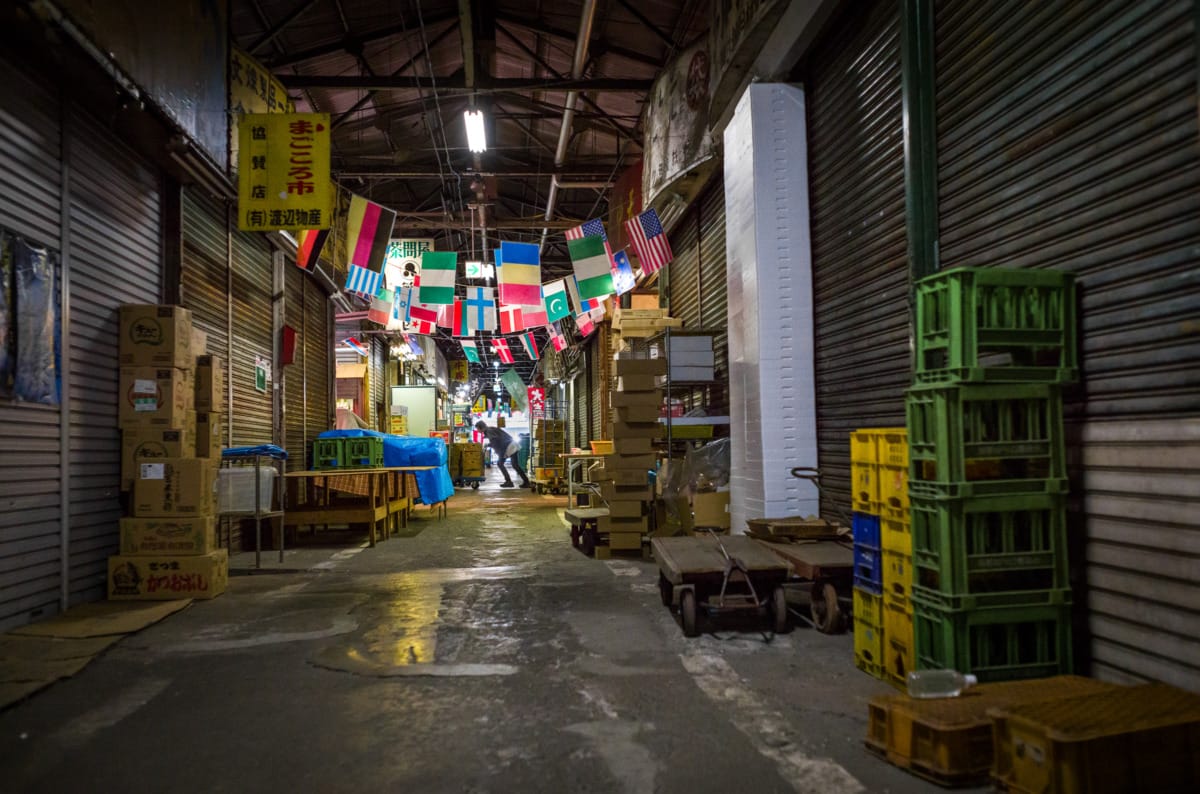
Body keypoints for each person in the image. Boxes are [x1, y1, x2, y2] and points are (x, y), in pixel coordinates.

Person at [475, 420, 530, 488]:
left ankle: (510, 482)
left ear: (480, 427)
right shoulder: (490, 429)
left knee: (501, 464)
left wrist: (489, 445)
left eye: (477, 428)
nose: (477, 430)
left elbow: (495, 441)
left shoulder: (489, 431)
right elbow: (496, 440)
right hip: (510, 445)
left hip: (509, 447)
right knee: (514, 465)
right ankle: (524, 481)